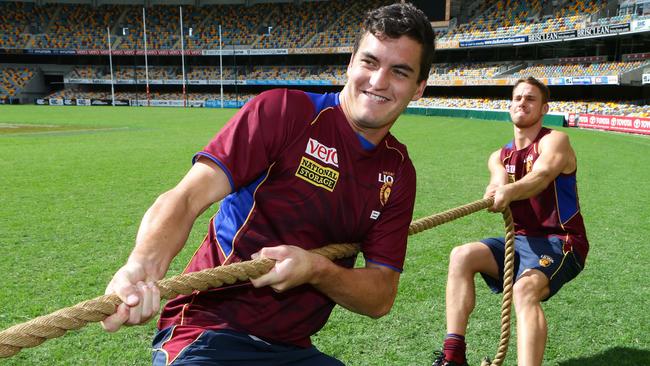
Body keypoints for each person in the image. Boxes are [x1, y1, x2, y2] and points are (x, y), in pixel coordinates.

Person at [101, 3, 435, 365]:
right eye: (370, 62)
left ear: (419, 88)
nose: (379, 80)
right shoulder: (284, 113)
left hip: (292, 349)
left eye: (399, 72)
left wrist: (316, 269)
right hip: (209, 331)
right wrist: (142, 266)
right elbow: (186, 198)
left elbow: (380, 295)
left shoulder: (398, 171)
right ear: (351, 63)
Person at [432, 77, 589, 366]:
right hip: (518, 243)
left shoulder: (556, 141)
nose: (522, 103)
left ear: (544, 108)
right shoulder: (498, 156)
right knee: (461, 255)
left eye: (530, 99)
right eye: (517, 98)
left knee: (524, 289)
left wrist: (509, 191)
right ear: (509, 106)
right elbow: (498, 179)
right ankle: (453, 356)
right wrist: (495, 190)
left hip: (561, 242)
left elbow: (541, 177)